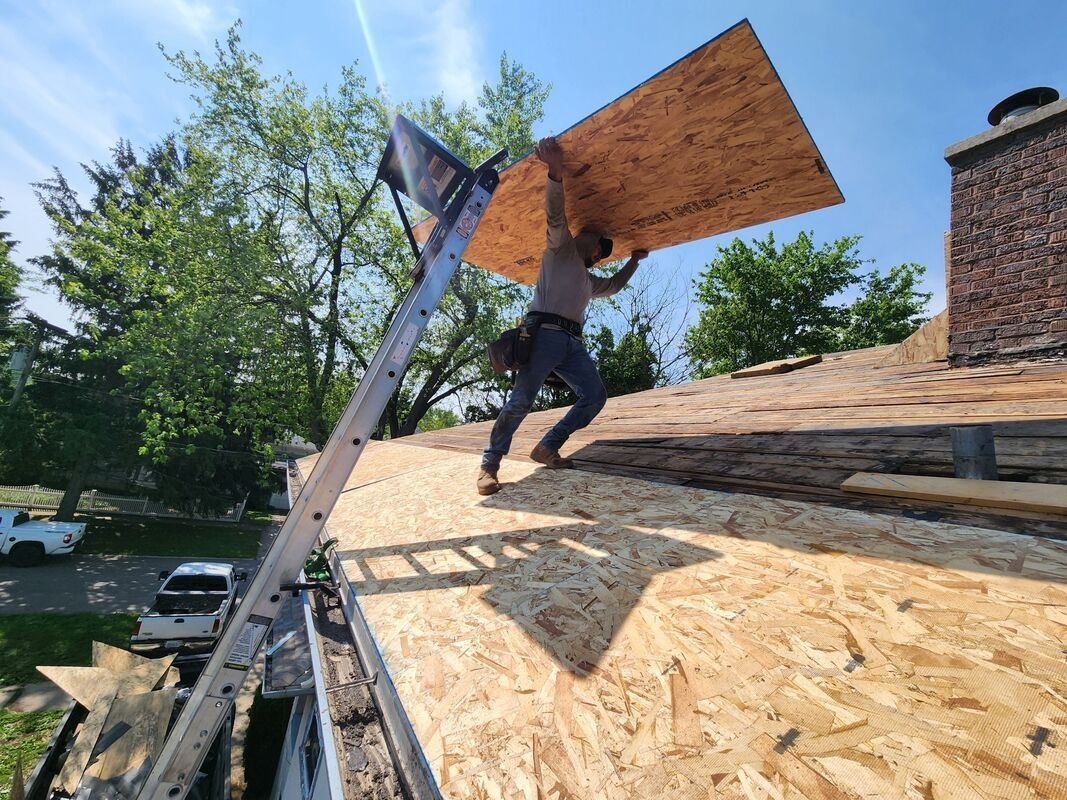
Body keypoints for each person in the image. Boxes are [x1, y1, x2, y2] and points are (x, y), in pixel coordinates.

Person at [477, 136, 648, 496]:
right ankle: (489, 466)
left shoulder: (588, 281)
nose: (601, 256)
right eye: (602, 248)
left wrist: (633, 261)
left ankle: (548, 445)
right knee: (521, 400)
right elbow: (555, 215)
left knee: (594, 396)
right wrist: (555, 171)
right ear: (588, 240)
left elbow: (615, 286)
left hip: (571, 343)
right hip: (543, 337)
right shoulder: (560, 250)